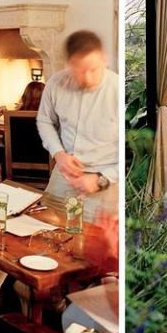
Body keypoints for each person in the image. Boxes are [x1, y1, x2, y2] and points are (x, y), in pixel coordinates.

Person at [37, 31, 119, 219]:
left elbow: (131, 155)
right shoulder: (55, 83)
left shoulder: (117, 89)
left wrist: (101, 179)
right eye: (80, 71)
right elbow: (45, 120)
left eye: (94, 69)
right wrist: (58, 153)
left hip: (106, 181)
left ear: (104, 59)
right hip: (63, 176)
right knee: (47, 228)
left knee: (95, 243)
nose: (88, 78)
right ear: (69, 65)